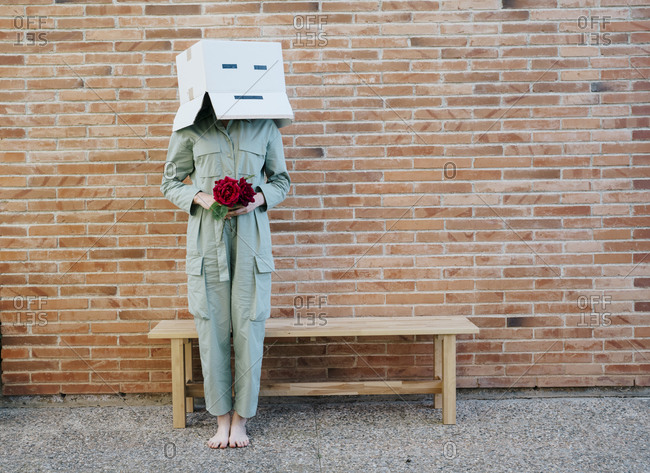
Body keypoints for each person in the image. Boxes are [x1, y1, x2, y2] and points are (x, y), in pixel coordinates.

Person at [160, 100, 291, 448]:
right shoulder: (190, 125)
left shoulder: (265, 126)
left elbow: (281, 181)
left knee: (250, 325)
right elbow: (169, 181)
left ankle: (241, 419)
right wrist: (200, 196)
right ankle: (220, 419)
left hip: (251, 241)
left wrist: (257, 200)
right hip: (207, 241)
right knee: (212, 326)